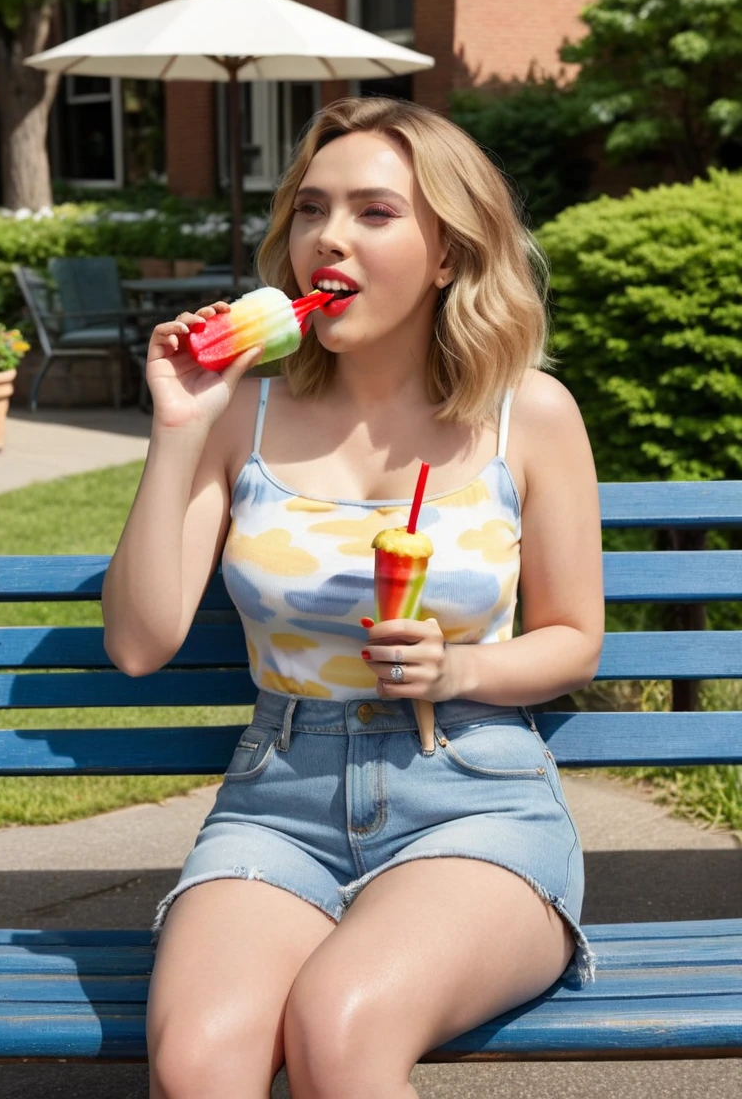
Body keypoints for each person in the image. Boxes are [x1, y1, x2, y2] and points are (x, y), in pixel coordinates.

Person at [102, 96, 604, 1099]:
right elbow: (140, 642)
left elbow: (574, 639)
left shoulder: (529, 417)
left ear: (450, 254)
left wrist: (461, 665)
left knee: (339, 1028)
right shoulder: (238, 412)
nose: (328, 236)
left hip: (472, 801)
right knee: (199, 1061)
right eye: (312, 209)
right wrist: (176, 426)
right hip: (277, 804)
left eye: (375, 212)